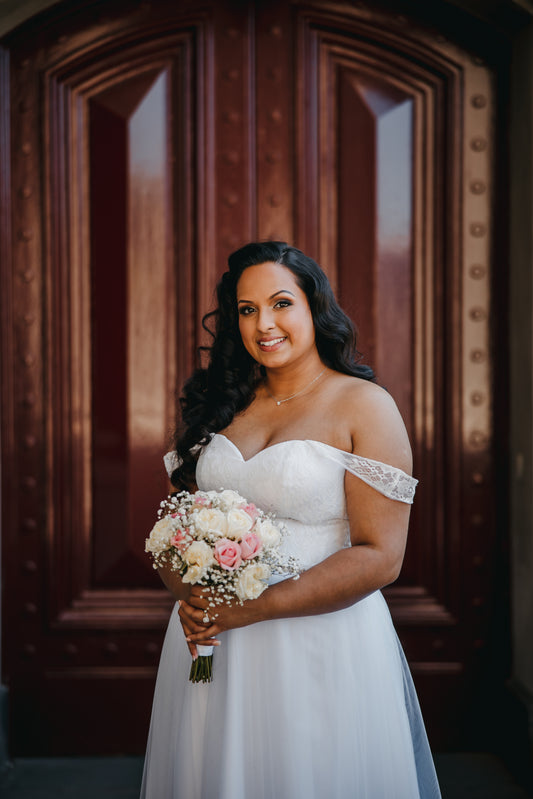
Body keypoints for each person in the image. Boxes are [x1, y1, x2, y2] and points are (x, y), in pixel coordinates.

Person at [140, 241, 441, 798]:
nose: (264, 324)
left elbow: (381, 556)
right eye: (247, 309)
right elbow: (173, 531)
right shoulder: (219, 402)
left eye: (282, 303)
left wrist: (255, 608)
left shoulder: (363, 405)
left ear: (314, 307)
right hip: (216, 645)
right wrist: (190, 595)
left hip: (322, 641)